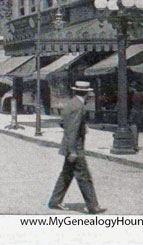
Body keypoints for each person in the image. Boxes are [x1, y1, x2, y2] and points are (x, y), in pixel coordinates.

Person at [48, 81, 106, 214]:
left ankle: (55, 201)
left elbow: (63, 122)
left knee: (66, 174)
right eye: (89, 93)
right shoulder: (79, 106)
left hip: (70, 145)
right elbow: (73, 130)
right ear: (86, 93)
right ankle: (93, 206)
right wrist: (73, 151)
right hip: (75, 148)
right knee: (84, 176)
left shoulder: (71, 103)